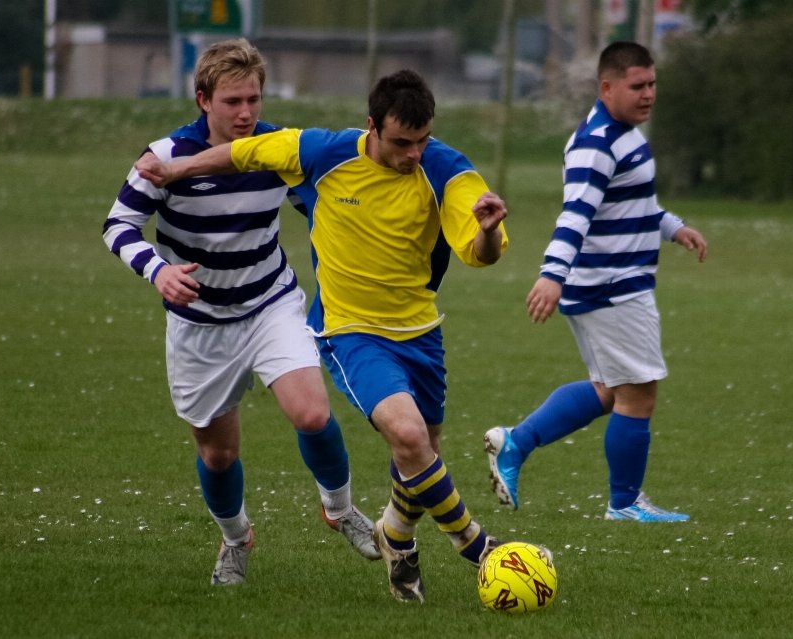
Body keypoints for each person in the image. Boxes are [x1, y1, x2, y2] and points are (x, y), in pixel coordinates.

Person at [134, 70, 512, 602]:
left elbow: (480, 253)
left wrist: (491, 228)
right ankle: (480, 549)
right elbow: (246, 153)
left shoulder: (447, 171)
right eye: (401, 142)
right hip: (350, 331)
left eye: (422, 140)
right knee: (407, 437)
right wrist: (174, 169)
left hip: (421, 332)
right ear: (371, 127)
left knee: (422, 455)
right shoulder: (324, 153)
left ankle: (396, 536)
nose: (413, 153)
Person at [102, 39, 379, 586]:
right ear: (203, 99)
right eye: (233, 101)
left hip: (271, 304)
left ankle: (341, 509)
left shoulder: (277, 148)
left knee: (313, 414)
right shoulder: (166, 156)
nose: (246, 112)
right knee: (218, 453)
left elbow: (322, 203)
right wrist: (159, 271)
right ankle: (236, 541)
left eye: (253, 98)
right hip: (200, 325)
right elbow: (117, 226)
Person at [484, 42, 707, 522]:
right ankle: (624, 504)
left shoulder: (624, 135)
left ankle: (515, 443)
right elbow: (576, 216)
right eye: (637, 86)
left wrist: (673, 228)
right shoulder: (597, 144)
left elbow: (631, 206)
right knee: (639, 392)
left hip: (610, 285)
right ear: (607, 87)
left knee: (610, 389)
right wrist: (550, 275)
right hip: (613, 288)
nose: (649, 94)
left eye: (652, 84)